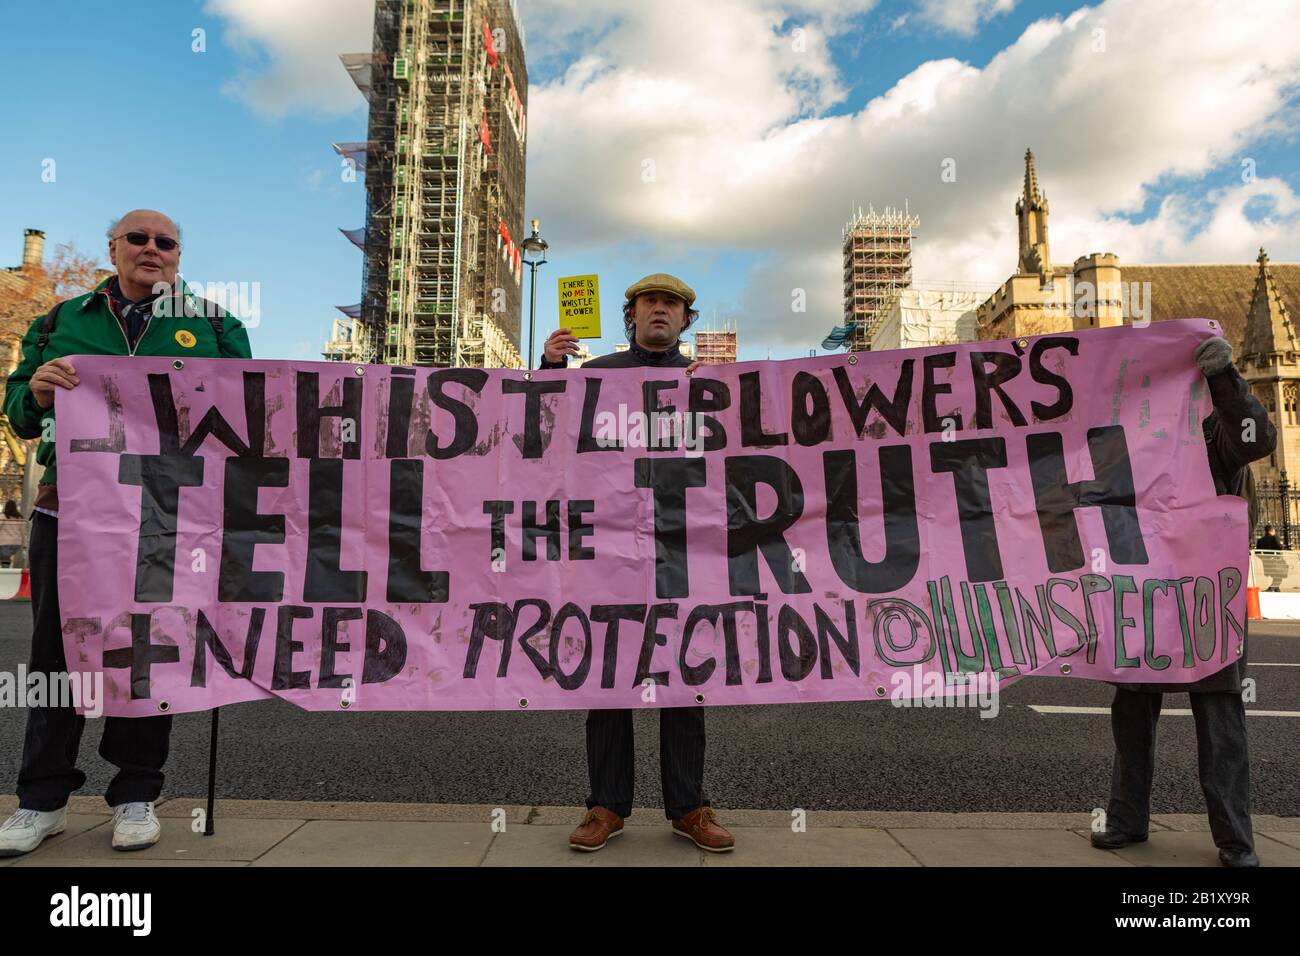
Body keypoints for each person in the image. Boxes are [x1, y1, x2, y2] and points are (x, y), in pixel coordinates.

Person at [0, 209, 252, 858]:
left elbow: (247, 417)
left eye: (165, 242)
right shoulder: (60, 321)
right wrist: (40, 391)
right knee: (60, 655)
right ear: (112, 248)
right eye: (137, 239)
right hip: (71, 513)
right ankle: (41, 801)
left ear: (177, 255)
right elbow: (20, 414)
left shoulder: (216, 326)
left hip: (166, 516)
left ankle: (136, 794)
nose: (151, 249)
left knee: (147, 652)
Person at [540, 272, 735, 853]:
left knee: (685, 677)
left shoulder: (705, 379)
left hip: (681, 546)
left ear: (684, 319)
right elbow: (548, 431)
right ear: (632, 314)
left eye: (671, 304)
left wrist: (729, 390)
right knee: (609, 677)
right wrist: (551, 369)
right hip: (610, 546)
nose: (659, 310)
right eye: (649, 301)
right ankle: (606, 806)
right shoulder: (597, 372)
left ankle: (688, 807)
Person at [1091, 335, 1274, 868]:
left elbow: (1259, 436)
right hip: (1143, 599)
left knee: (1220, 722)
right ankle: (1126, 819)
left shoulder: (1218, 432)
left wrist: (1225, 376)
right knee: (1131, 716)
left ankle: (1236, 839)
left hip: (1206, 603)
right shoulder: (1128, 438)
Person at [0, 500, 24, 567]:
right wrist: (24, 544)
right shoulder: (19, 517)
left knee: (5, 558)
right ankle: (6, 568)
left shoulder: (3, 516)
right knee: (5, 557)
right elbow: (23, 532)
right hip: (16, 543)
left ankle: (5, 572)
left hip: (4, 543)